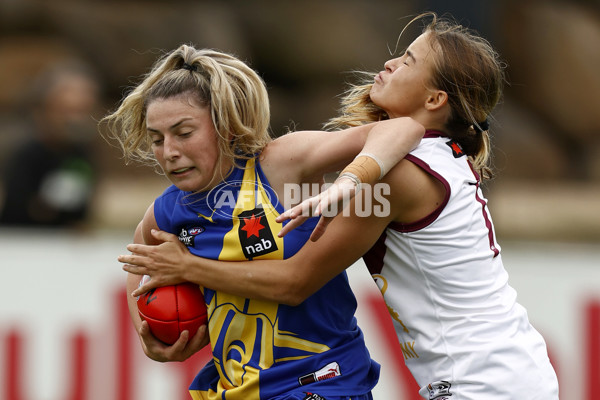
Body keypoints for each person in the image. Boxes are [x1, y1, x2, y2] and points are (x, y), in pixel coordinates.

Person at [120, 13, 560, 400]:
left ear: (434, 101)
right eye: (157, 139)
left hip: (481, 381)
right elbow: (138, 254)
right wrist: (147, 325)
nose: (389, 62)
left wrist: (188, 267)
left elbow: (295, 281)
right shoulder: (431, 155)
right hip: (498, 371)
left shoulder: (399, 174)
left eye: (408, 60)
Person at [101, 43, 425, 400]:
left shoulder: (279, 165)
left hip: (324, 383)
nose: (169, 152)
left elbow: (403, 129)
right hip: (235, 390)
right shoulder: (167, 211)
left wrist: (350, 180)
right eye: (156, 139)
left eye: (184, 132)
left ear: (224, 123)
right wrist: (148, 335)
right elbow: (138, 263)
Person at [0, 61, 100, 228]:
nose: (73, 121)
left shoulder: (82, 154)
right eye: (65, 111)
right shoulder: (25, 154)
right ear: (43, 110)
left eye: (81, 112)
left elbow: (82, 210)